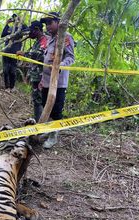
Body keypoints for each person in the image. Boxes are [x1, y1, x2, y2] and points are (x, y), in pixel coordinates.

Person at [39, 12, 75, 149]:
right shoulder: (49, 39)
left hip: (58, 82)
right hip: (47, 80)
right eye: (46, 23)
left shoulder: (66, 37)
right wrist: (42, 80)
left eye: (50, 23)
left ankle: (54, 135)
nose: (47, 26)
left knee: (56, 109)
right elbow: (46, 58)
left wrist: (61, 66)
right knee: (45, 105)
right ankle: (47, 130)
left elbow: (71, 57)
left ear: (58, 22)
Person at [16, 20, 48, 121]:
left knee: (41, 100)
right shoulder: (37, 42)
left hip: (42, 77)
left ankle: (41, 124)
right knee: (36, 99)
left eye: (31, 31)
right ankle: (38, 122)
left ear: (37, 30)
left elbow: (41, 55)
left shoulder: (45, 40)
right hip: (35, 75)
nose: (30, 34)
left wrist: (25, 54)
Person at [1, 14, 28, 92]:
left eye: (16, 19)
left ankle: (12, 87)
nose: (15, 20)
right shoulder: (9, 28)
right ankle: (7, 87)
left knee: (13, 70)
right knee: (6, 70)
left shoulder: (21, 29)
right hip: (6, 52)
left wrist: (21, 21)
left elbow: (28, 30)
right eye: (14, 19)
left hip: (15, 53)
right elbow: (2, 35)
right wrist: (6, 23)